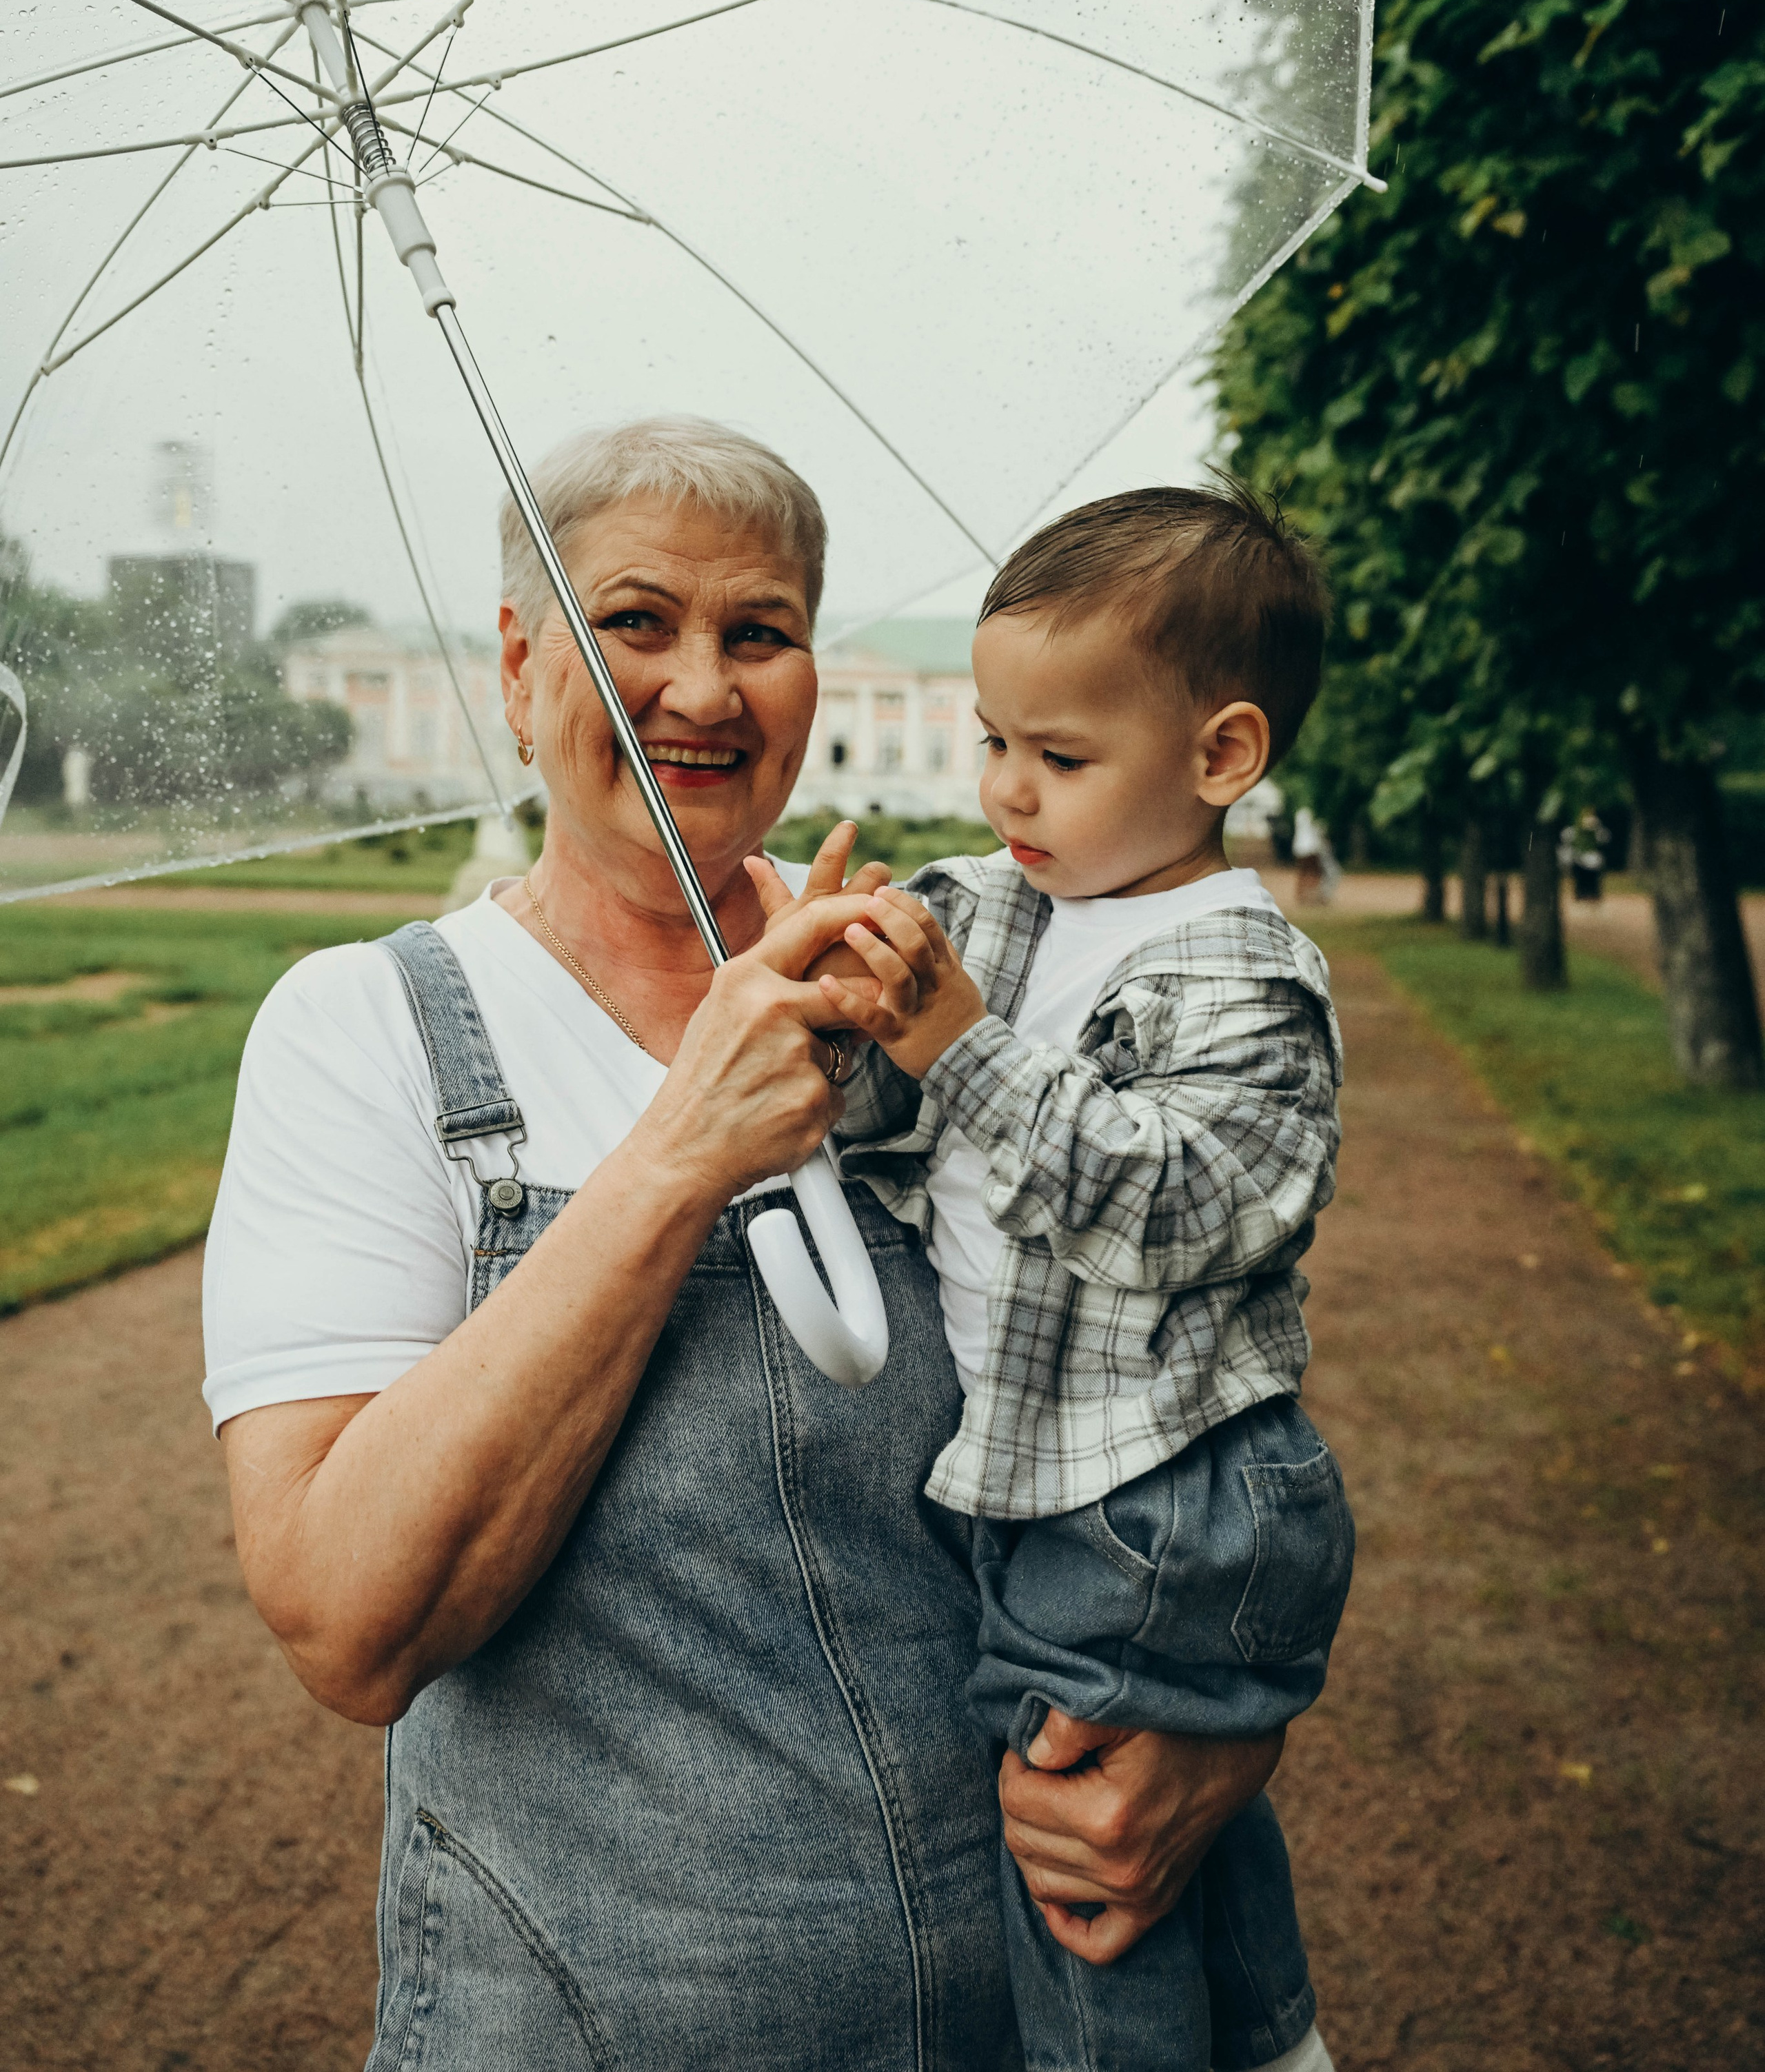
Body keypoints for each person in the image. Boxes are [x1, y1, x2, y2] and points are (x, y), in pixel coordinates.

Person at [201, 418, 1284, 2072]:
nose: (700, 689)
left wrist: (1216, 1734)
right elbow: (350, 1623)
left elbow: (1191, 1396)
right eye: (634, 622)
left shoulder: (929, 981)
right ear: (515, 663)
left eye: (757, 632)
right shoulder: (367, 1031)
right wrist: (678, 1151)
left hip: (1013, 2010)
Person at [801, 483, 1352, 2072]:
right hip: (1069, 1471)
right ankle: (1268, 2043)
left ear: (1220, 757)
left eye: (1057, 757)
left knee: (1071, 1847)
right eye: (991, 742)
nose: (1004, 790)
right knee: (1165, 1834)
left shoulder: (1245, 977)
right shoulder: (1001, 908)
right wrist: (836, 983)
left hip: (1160, 1491)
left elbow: (1174, 1206)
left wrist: (955, 1046)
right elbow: (888, 1103)